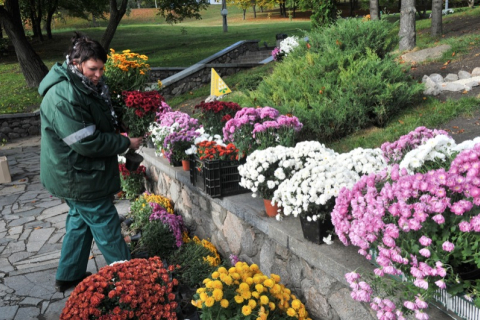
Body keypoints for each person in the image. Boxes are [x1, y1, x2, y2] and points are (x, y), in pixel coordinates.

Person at [38, 32, 143, 292]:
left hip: (76, 173)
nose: (98, 74)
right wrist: (125, 143)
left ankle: (69, 275)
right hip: (78, 175)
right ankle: (132, 282)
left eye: (101, 69)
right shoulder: (64, 95)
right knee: (104, 220)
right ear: (75, 63)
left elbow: (97, 116)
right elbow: (87, 142)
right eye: (93, 69)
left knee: (79, 219)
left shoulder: (81, 85)